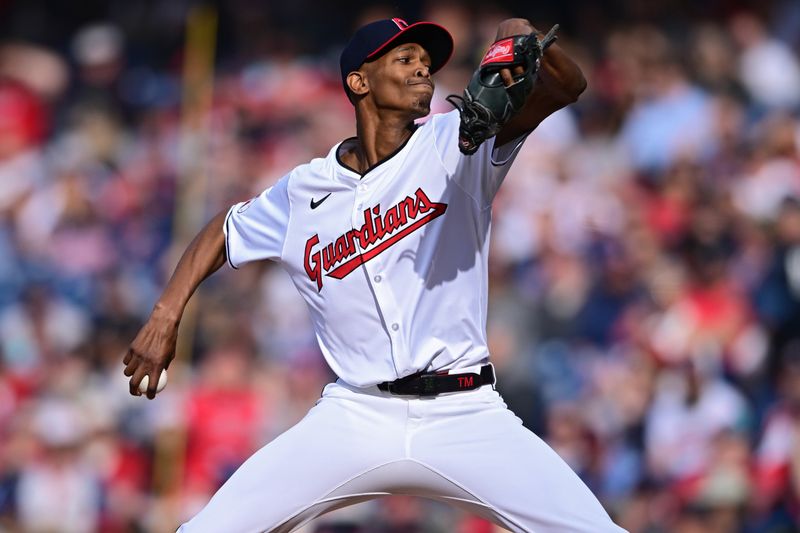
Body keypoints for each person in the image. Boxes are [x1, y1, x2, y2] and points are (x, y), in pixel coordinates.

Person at [123, 16, 627, 532]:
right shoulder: (304, 190)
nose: (422, 72)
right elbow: (223, 232)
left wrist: (524, 38)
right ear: (359, 82)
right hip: (356, 416)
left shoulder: (460, 139)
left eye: (427, 65)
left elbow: (569, 86)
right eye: (405, 60)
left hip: (467, 415)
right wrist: (165, 314)